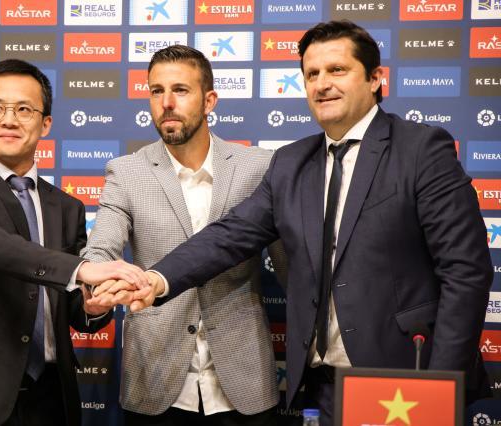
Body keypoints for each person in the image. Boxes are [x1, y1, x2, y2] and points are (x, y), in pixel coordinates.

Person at [91, 21, 493, 425]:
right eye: (312, 74)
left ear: (375, 79)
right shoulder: (290, 163)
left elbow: (466, 271)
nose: (322, 84)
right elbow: (229, 236)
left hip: (404, 379)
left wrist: (440, 385)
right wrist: (157, 280)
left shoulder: (422, 150)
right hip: (322, 386)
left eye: (337, 70)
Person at [0, 59, 147, 426]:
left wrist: (94, 306)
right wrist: (83, 268)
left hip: (52, 397)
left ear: (46, 123)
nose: (9, 120)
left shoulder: (67, 207)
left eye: (24, 109)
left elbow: (75, 310)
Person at [82, 45, 283, 426]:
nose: (167, 103)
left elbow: (293, 265)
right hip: (155, 380)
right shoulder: (126, 172)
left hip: (244, 382)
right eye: (156, 91)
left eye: (180, 90)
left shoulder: (259, 166)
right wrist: (96, 289)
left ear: (209, 100)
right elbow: (101, 248)